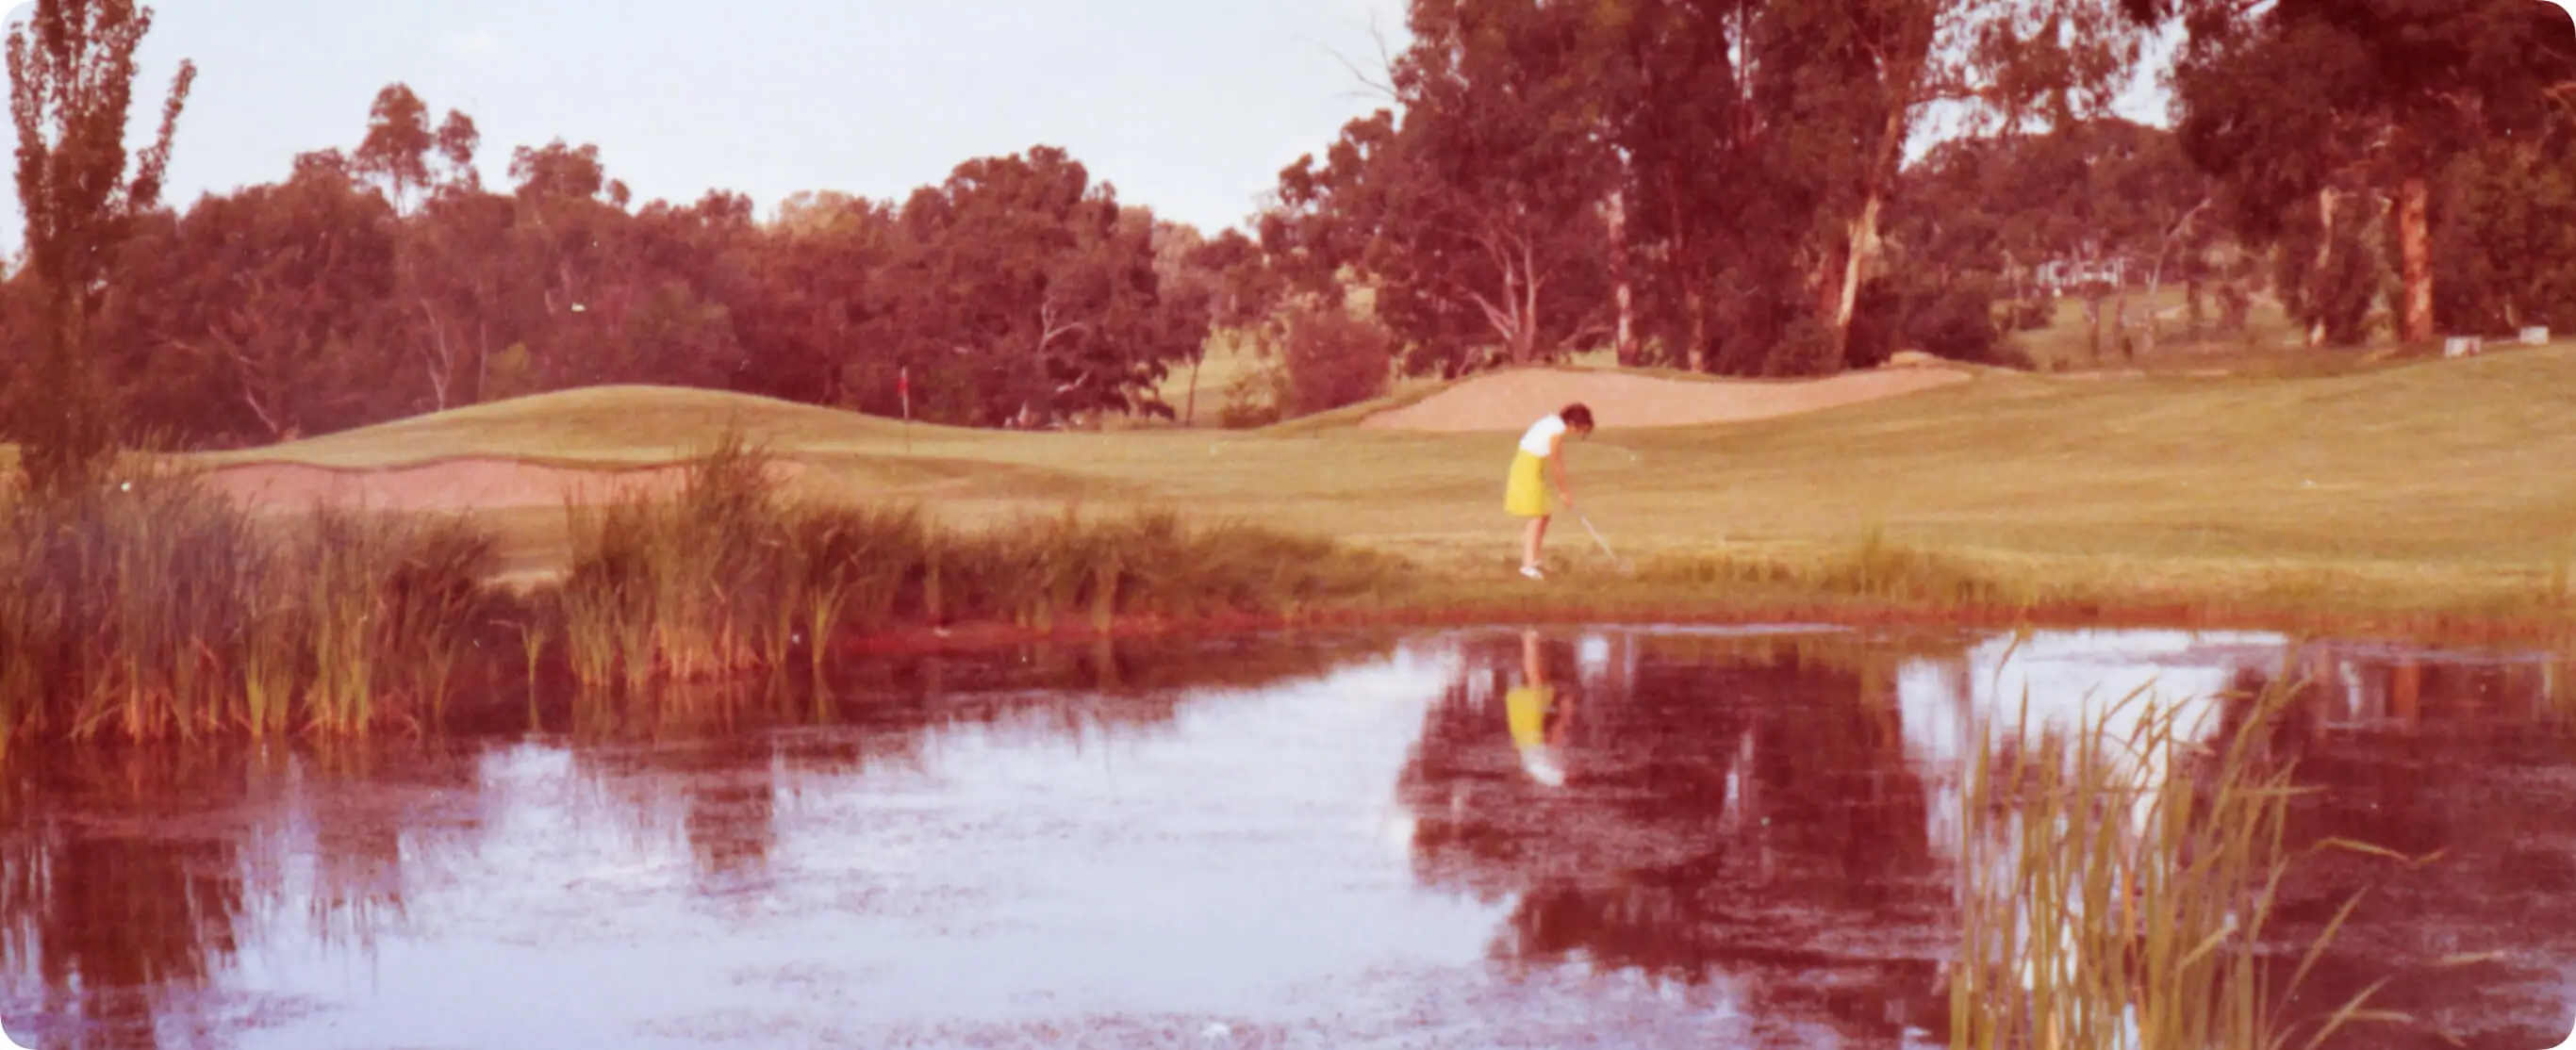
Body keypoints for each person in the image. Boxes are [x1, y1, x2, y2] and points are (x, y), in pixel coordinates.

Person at [1503, 402, 1594, 580]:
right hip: (1526, 470)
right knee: (1537, 517)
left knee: (1544, 514)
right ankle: (1527, 566)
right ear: (1574, 423)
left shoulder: (1554, 423)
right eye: (1581, 428)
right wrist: (1564, 493)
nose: (1579, 433)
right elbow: (1556, 464)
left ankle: (1535, 562)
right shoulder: (1556, 431)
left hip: (1531, 469)